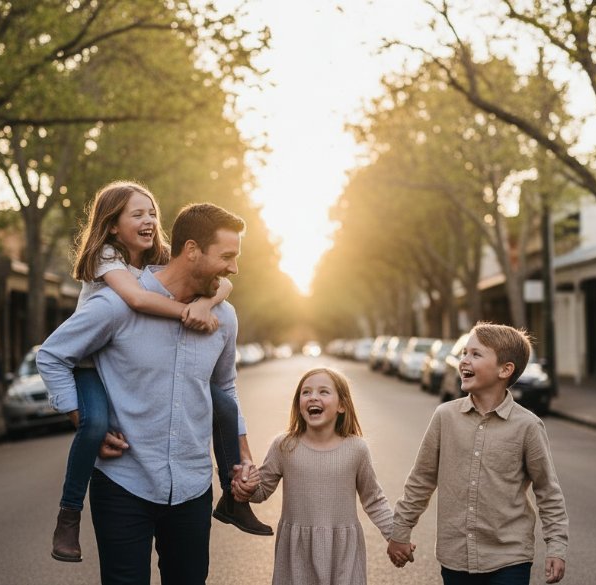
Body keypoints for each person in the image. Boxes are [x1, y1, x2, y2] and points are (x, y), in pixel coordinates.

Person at [44, 181, 269, 563]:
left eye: (152, 214)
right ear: (193, 251)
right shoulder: (114, 294)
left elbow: (226, 388)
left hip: (192, 488)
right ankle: (69, 511)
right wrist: (81, 418)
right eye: (227, 255)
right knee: (94, 424)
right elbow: (54, 354)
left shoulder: (223, 316)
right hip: (122, 483)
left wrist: (243, 458)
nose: (234, 268)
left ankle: (231, 499)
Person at [387, 322, 569, 585]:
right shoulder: (445, 417)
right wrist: (401, 530)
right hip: (456, 557)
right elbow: (421, 479)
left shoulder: (527, 426)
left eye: (476, 354)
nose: (464, 361)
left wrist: (556, 547)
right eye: (464, 353)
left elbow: (548, 492)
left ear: (505, 369)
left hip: (509, 558)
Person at [231, 367, 394, 585]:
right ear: (298, 404)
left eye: (324, 392)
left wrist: (395, 535)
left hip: (342, 552)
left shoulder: (357, 449)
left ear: (342, 405)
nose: (313, 397)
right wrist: (246, 486)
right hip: (297, 553)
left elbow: (374, 500)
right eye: (305, 392)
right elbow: (260, 492)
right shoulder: (284, 446)